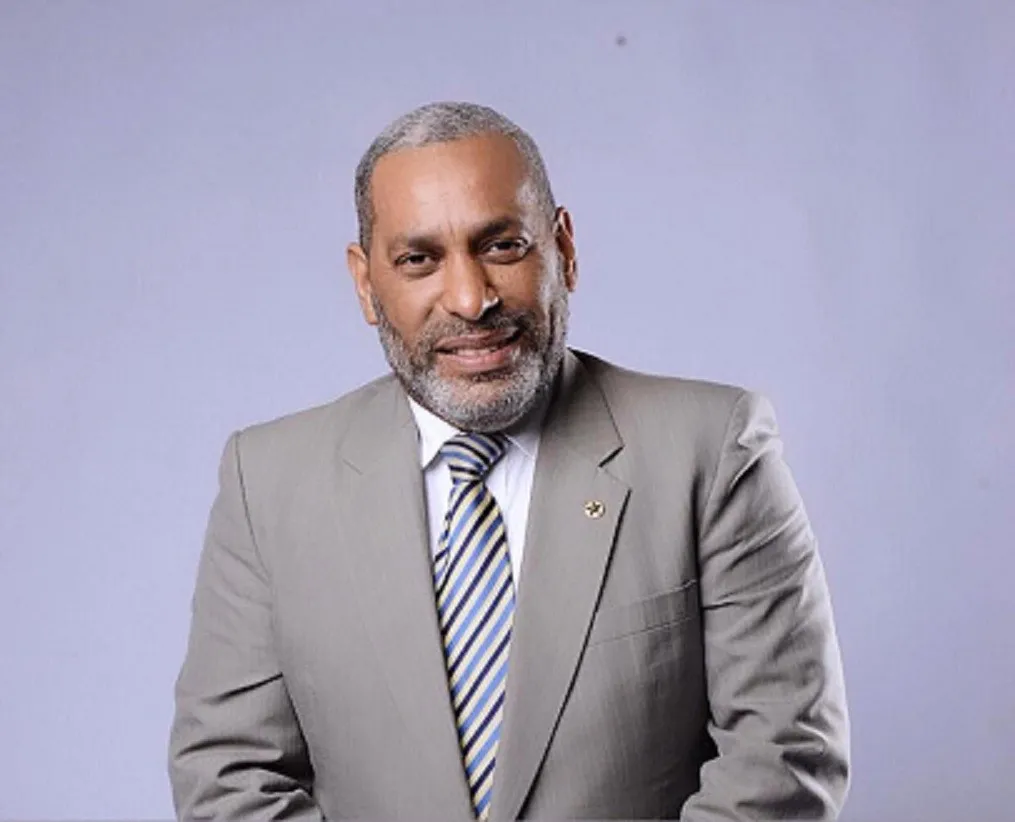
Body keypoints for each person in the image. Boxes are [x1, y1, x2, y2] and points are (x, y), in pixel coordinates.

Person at [169, 101, 850, 821]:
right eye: (418, 260)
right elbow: (229, 776)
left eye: (501, 246)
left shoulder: (711, 451)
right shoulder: (267, 481)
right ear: (366, 284)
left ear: (564, 249)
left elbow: (781, 757)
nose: (471, 300)